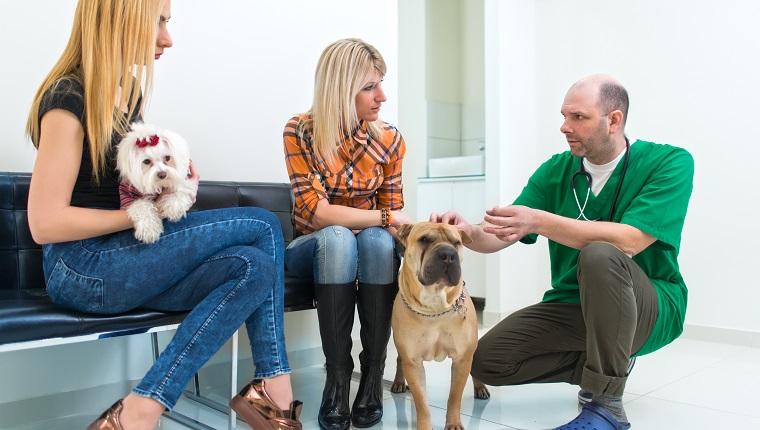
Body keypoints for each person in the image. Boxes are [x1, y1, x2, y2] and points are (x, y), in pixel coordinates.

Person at [24, 1, 302, 429]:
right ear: (120, 20)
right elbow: (45, 224)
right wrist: (143, 213)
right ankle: (270, 396)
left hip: (125, 259)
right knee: (264, 225)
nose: (167, 37)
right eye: (159, 21)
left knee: (256, 265)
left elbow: (125, 186)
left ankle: (149, 406)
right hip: (80, 269)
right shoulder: (68, 97)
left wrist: (171, 183)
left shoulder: (125, 92)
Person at [431, 74, 694, 430]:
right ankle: (607, 365)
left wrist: (539, 221)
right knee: (487, 360)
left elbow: (629, 241)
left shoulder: (669, 162)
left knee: (601, 253)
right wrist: (468, 232)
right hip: (574, 304)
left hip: (650, 304)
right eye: (564, 116)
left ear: (613, 120)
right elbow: (498, 235)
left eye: (578, 117)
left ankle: (606, 405)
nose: (564, 127)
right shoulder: (556, 171)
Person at [283, 38, 414, 430]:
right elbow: (319, 214)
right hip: (311, 247)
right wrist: (385, 216)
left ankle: (372, 376)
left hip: (366, 248)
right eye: (370, 87)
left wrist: (403, 225)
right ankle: (337, 379)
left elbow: (391, 219)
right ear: (341, 89)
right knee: (339, 236)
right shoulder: (300, 131)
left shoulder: (389, 140)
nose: (382, 96)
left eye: (382, 83)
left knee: (376, 240)